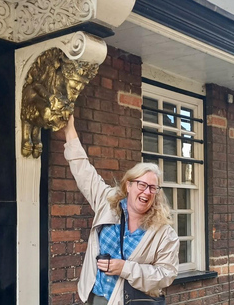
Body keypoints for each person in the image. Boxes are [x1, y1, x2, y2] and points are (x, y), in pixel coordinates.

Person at [63, 114, 180, 305]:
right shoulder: (107, 202)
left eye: (153, 188)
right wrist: (69, 129)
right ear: (128, 185)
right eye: (141, 185)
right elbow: (83, 171)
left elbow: (166, 275)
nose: (147, 192)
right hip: (98, 299)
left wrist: (125, 268)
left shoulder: (164, 233)